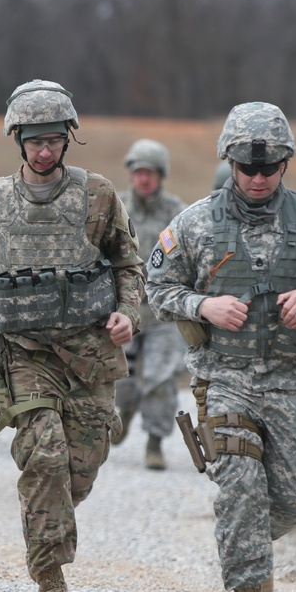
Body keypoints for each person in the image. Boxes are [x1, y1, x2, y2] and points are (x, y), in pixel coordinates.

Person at [146, 102, 296, 592]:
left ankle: (249, 543)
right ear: (230, 163)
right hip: (226, 379)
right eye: (247, 167)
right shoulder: (194, 223)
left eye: (268, 168)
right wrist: (203, 306)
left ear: (285, 163)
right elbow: (156, 288)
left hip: (292, 380)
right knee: (240, 483)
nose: (258, 178)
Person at [0, 79, 144, 592]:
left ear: (69, 139)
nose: (44, 150)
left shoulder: (99, 196)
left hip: (90, 355)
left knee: (78, 471)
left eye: (55, 139)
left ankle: (46, 521)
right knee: (45, 455)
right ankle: (51, 583)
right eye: (35, 140)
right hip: (26, 355)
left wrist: (128, 314)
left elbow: (129, 265)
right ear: (17, 139)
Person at [113, 138, 187, 470]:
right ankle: (124, 410)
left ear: (162, 175)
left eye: (150, 173)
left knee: (159, 378)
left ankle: (155, 441)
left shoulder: (178, 214)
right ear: (131, 174)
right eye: (138, 172)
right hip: (124, 309)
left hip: (164, 312)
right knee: (120, 376)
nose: (144, 179)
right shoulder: (115, 210)